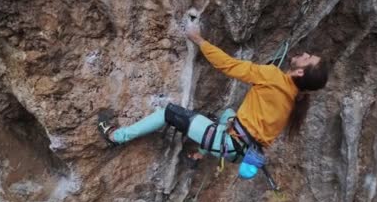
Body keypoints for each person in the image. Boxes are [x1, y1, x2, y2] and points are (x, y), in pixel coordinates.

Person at [98, 22, 328, 178]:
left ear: (299, 72)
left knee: (168, 113)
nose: (304, 54)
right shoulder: (295, 101)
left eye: (307, 59)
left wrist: (198, 39)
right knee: (228, 114)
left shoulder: (273, 76)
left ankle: (116, 136)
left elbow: (228, 65)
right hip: (239, 153)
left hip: (226, 143)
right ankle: (200, 153)